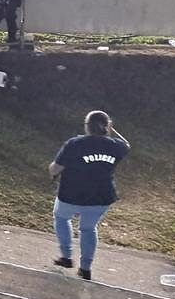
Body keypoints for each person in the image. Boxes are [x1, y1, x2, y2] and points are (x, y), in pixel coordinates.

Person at [48, 111, 130, 281]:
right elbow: (126, 145)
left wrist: (51, 173)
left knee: (61, 217)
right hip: (101, 196)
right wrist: (110, 131)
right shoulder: (116, 146)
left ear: (87, 126)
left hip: (71, 194)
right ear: (107, 127)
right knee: (88, 229)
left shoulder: (75, 144)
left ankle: (66, 256)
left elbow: (56, 168)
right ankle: (85, 268)